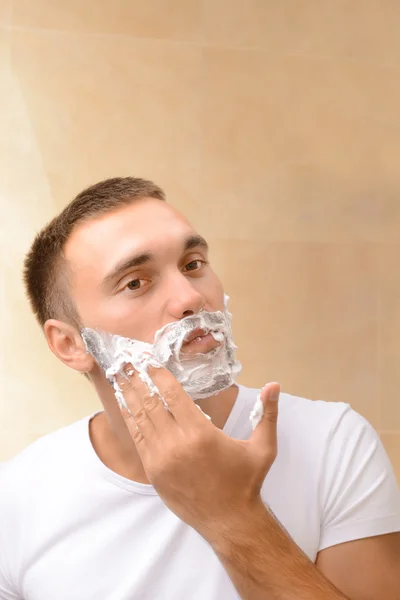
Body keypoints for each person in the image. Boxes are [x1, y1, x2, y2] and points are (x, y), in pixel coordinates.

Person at [0, 177, 399, 600]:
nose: (190, 296)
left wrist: (233, 517)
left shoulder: (334, 443)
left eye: (192, 264)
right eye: (135, 282)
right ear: (71, 344)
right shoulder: (19, 499)